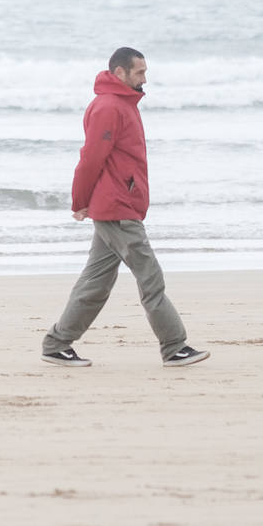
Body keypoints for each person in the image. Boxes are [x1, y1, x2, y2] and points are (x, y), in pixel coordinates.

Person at [41, 47, 209, 368]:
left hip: (118, 204)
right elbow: (90, 159)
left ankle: (56, 344)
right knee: (150, 278)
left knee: (96, 282)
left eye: (145, 72)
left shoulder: (123, 104)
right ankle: (174, 346)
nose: (145, 78)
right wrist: (80, 201)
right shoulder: (108, 107)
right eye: (140, 72)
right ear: (120, 73)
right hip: (117, 208)